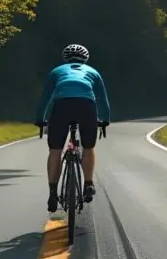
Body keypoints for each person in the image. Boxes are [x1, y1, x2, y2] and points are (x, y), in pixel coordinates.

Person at [34, 44, 111, 213]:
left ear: (65, 58)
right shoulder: (93, 72)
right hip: (86, 106)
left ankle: (53, 192)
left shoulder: (56, 71)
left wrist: (40, 119)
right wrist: (105, 120)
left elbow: (45, 98)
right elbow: (103, 100)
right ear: (86, 59)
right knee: (88, 146)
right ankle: (88, 184)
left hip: (62, 106)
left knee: (55, 150)